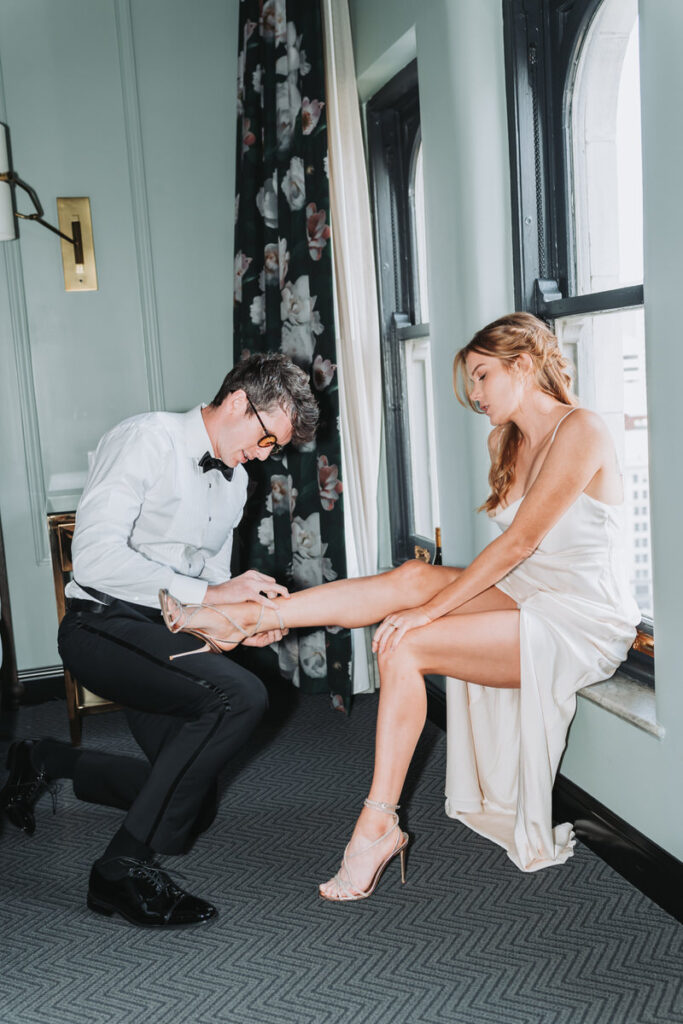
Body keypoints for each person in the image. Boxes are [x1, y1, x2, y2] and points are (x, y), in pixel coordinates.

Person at [157, 312, 640, 900]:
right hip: (529, 591)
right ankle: (248, 618)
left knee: (406, 642)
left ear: (525, 365)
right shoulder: (505, 440)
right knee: (413, 576)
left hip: (579, 617)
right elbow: (513, 560)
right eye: (473, 380)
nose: (476, 394)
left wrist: (428, 614)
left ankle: (377, 823)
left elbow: (519, 544)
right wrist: (425, 598)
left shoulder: (581, 429)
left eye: (484, 376)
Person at [0, 352, 318, 926]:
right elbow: (94, 560)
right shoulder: (147, 438)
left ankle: (45, 758)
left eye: (276, 448)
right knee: (240, 698)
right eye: (267, 438)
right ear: (240, 402)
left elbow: (211, 585)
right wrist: (208, 596)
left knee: (189, 805)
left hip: (165, 633)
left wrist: (246, 617)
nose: (264, 455)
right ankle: (118, 870)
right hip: (101, 624)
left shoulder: (236, 482)